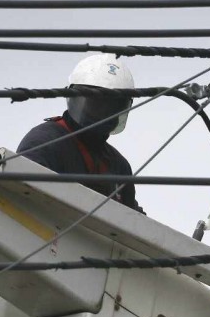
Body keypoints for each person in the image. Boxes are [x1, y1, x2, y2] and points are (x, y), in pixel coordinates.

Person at [17, 53, 141, 212]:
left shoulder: (119, 166)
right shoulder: (45, 141)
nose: (103, 113)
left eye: (112, 106)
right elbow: (23, 195)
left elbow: (134, 221)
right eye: (96, 104)